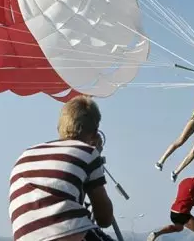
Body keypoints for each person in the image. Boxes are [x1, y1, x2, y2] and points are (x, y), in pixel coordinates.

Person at [8, 95, 115, 241]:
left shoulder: (25, 155)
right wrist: (96, 157)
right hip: (68, 235)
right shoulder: (88, 152)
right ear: (95, 132)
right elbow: (104, 219)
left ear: (60, 126)